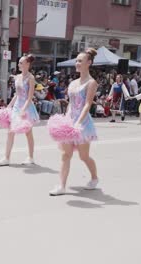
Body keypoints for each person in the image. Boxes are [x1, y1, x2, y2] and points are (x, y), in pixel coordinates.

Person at [49, 48, 99, 196]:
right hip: (69, 122)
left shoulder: (91, 83)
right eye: (76, 60)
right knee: (65, 154)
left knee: (83, 156)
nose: (77, 63)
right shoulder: (73, 83)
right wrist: (67, 119)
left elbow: (87, 104)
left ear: (89, 63)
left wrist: (78, 122)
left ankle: (95, 178)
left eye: (80, 61)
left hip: (83, 124)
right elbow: (71, 103)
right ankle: (61, 186)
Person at [0, 54, 39, 166]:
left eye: (21, 63)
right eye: (19, 62)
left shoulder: (31, 78)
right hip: (17, 107)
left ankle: (31, 157)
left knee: (28, 133)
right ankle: (6, 158)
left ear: (28, 64)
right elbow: (17, 94)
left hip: (27, 108)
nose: (19, 64)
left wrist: (23, 110)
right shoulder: (18, 77)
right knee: (10, 132)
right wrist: (8, 106)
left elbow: (30, 97)